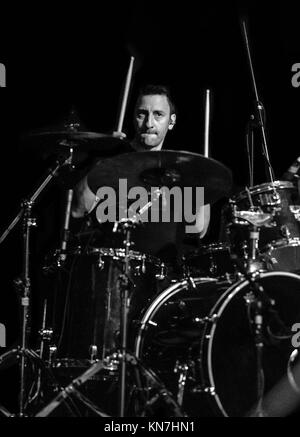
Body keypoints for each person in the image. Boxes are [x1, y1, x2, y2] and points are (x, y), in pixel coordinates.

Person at [71, 84, 211, 264]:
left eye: (158, 115)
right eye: (142, 114)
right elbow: (78, 209)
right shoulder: (114, 158)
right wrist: (103, 155)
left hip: (162, 276)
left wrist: (205, 179)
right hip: (110, 267)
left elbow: (198, 228)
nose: (149, 123)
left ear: (172, 121)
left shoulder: (178, 169)